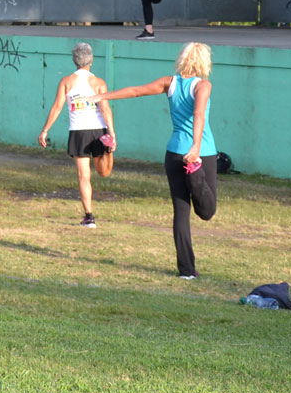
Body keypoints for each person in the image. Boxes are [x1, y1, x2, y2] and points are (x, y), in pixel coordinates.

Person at [89, 42, 218, 279]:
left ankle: (187, 271)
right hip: (201, 152)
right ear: (204, 62)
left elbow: (135, 91)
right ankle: (195, 170)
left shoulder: (170, 83)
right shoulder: (203, 85)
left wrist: (101, 95)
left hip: (174, 153)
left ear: (182, 59)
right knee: (206, 211)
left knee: (182, 211)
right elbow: (198, 114)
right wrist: (196, 148)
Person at [36, 42, 116, 228]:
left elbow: (57, 107)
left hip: (79, 132)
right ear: (91, 59)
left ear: (74, 60)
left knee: (84, 176)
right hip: (98, 130)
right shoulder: (98, 83)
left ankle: (89, 216)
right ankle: (89, 216)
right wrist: (112, 134)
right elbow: (105, 109)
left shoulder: (67, 81)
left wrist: (45, 130)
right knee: (102, 172)